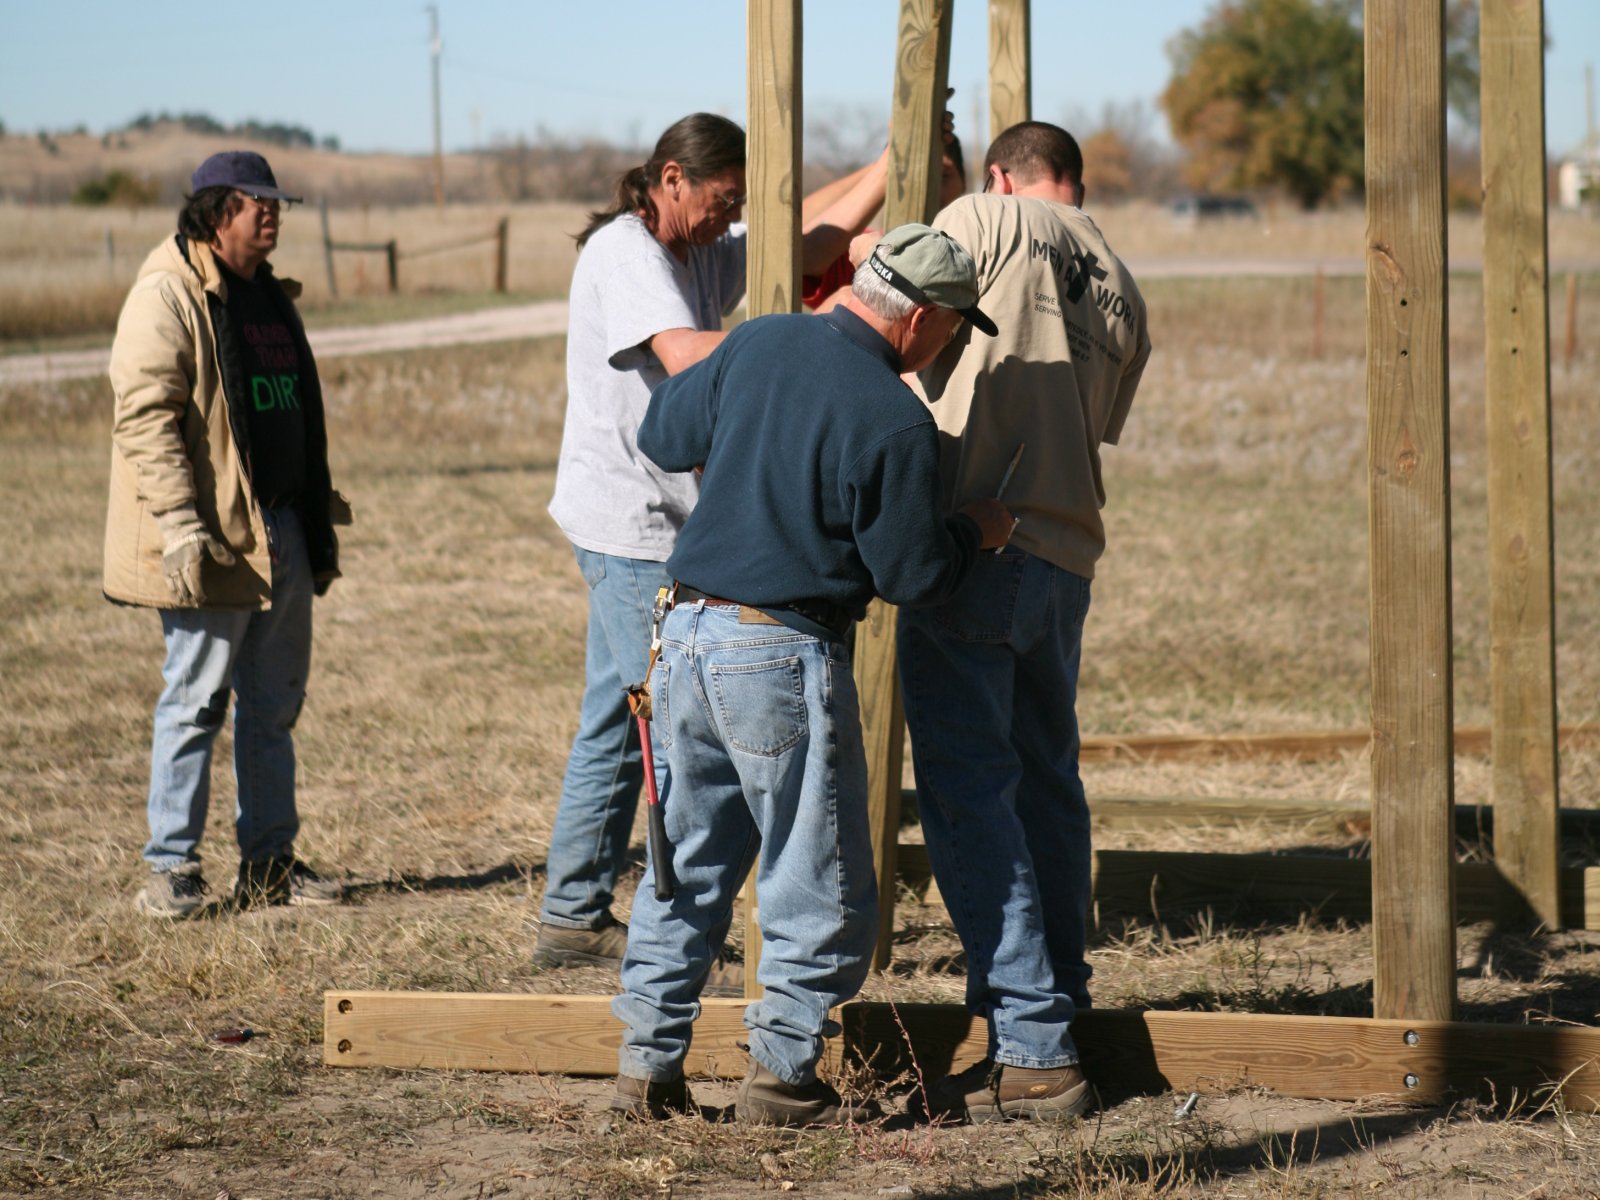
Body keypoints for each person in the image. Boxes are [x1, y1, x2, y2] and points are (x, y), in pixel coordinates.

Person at [609, 225, 1014, 1126]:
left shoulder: (758, 339)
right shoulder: (896, 417)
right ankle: (783, 1078)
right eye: (953, 329)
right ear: (920, 319)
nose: (947, 346)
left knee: (686, 865)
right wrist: (975, 532)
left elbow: (664, 433)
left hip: (684, 636)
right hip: (779, 651)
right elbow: (911, 575)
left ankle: (645, 1069)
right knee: (815, 878)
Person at [537, 113, 895, 971]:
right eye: (722, 199)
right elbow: (688, 353)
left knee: (617, 717)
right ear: (672, 178)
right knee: (672, 733)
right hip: (633, 520)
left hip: (658, 515)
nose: (730, 218)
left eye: (740, 204)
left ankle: (572, 910)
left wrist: (888, 166)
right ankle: (661, 927)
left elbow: (807, 244)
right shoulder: (628, 253)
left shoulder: (693, 245)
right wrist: (812, 339)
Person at [898, 121, 1152, 1122]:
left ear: (1001, 176)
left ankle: (1034, 1046)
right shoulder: (1124, 287)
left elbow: (897, 303)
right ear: (1073, 181)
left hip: (980, 544)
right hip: (1066, 557)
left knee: (969, 791)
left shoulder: (985, 219)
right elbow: (1085, 427)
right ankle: (1061, 999)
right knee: (1046, 780)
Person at [105, 150, 349, 918]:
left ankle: (269, 864)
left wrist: (310, 511)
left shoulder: (269, 294)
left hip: (282, 526)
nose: (271, 214)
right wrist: (181, 525)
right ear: (216, 212)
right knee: (196, 701)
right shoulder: (167, 293)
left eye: (276, 202)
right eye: (255, 202)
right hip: (215, 537)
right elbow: (144, 418)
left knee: (271, 706)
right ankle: (170, 869)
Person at [799, 133, 968, 313]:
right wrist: (888, 163)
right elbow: (797, 239)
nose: (927, 188)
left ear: (963, 183)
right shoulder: (865, 247)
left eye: (943, 176)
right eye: (915, 177)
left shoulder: (977, 249)